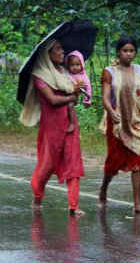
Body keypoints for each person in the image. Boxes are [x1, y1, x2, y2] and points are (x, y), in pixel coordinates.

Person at [19, 39, 85, 216]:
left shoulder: (64, 72)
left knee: (73, 162)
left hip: (70, 123)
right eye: (58, 49)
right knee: (47, 166)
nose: (62, 52)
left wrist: (77, 91)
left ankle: (73, 205)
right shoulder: (39, 75)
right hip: (52, 127)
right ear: (47, 54)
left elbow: (73, 96)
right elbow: (53, 100)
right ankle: (38, 195)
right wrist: (72, 97)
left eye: (62, 48)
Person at [98, 36, 140, 215]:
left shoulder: (139, 70)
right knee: (113, 162)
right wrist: (110, 110)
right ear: (118, 52)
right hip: (116, 122)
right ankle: (104, 188)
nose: (128, 54)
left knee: (137, 162)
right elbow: (105, 97)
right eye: (125, 50)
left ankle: (137, 204)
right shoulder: (109, 72)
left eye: (131, 51)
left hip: (135, 121)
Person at [65, 50, 92, 133]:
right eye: (72, 65)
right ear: (68, 66)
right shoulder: (67, 74)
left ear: (82, 65)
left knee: (70, 106)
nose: (75, 67)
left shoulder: (83, 76)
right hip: (65, 94)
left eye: (77, 65)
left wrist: (87, 100)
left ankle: (72, 123)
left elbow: (88, 88)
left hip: (73, 96)